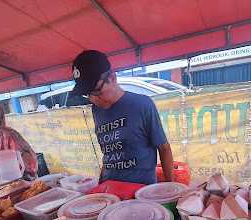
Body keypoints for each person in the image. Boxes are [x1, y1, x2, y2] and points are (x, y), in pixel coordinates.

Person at [69, 50, 173, 185]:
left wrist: (172, 187)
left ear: (112, 78)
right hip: (110, 188)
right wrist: (101, 186)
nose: (93, 99)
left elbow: (164, 148)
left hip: (140, 191)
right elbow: (108, 156)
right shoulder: (96, 110)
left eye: (97, 91)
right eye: (88, 94)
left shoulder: (142, 105)